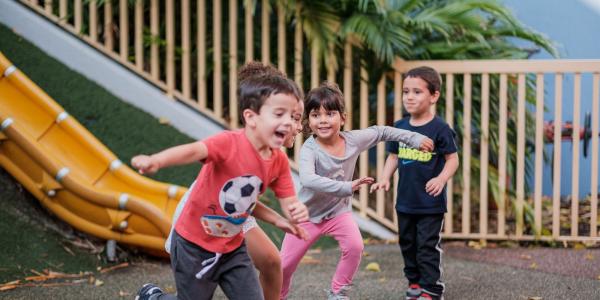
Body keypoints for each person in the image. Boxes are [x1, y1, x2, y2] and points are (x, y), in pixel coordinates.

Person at [133, 70, 309, 300]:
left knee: (265, 271)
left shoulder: (279, 161)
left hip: (231, 244)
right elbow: (195, 150)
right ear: (251, 117)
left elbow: (283, 201)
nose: (292, 124)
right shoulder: (228, 143)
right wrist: (156, 160)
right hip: (194, 240)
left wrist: (290, 214)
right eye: (282, 114)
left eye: (294, 117)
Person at [279, 81, 434, 300]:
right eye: (315, 115)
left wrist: (414, 138)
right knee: (284, 264)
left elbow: (381, 132)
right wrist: (347, 187)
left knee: (355, 246)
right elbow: (308, 179)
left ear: (342, 118)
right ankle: (276, 295)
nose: (323, 120)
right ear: (308, 121)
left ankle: (338, 292)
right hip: (305, 216)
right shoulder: (309, 149)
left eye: (330, 114)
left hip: (337, 214)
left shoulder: (353, 141)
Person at [370, 66, 459, 300]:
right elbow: (394, 156)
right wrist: (384, 177)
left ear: (434, 96)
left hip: (430, 203)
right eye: (405, 91)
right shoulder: (400, 127)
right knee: (407, 244)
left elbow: (452, 159)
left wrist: (441, 178)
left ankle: (432, 289)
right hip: (406, 202)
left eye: (417, 92)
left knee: (427, 247)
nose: (409, 96)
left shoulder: (440, 128)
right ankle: (415, 283)